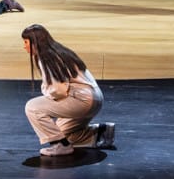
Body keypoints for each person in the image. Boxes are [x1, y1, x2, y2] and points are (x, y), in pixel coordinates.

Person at [22, 24, 114, 157]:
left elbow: (58, 91)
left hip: (81, 100)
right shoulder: (60, 51)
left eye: (26, 42)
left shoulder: (48, 57)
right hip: (95, 97)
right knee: (60, 133)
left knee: (32, 107)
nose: (24, 46)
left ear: (35, 42)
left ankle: (60, 146)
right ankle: (100, 133)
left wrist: (46, 93)